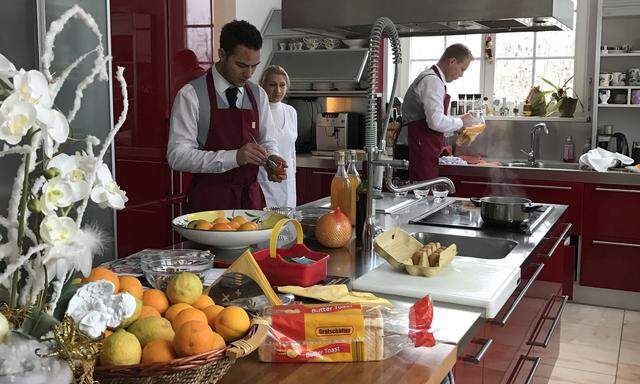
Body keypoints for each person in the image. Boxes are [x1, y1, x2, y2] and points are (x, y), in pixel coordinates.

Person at [167, 20, 286, 212]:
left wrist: (272, 159)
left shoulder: (258, 94)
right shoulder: (191, 94)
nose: (248, 73)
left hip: (251, 203)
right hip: (209, 207)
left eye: (254, 66)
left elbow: (267, 140)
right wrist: (235, 157)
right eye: (241, 65)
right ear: (222, 55)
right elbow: (177, 156)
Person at [401, 43, 475, 181]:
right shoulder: (432, 81)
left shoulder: (433, 79)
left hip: (422, 147)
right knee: (421, 194)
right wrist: (460, 122)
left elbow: (430, 121)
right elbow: (435, 122)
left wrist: (457, 128)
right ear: (452, 61)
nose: (461, 75)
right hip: (419, 149)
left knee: (423, 194)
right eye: (462, 69)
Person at [258, 65, 297, 208]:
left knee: (288, 224)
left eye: (282, 85)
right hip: (264, 178)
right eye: (272, 85)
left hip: (288, 180)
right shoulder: (257, 111)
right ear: (262, 85)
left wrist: (292, 173)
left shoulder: (291, 112)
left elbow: (292, 150)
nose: (278, 90)